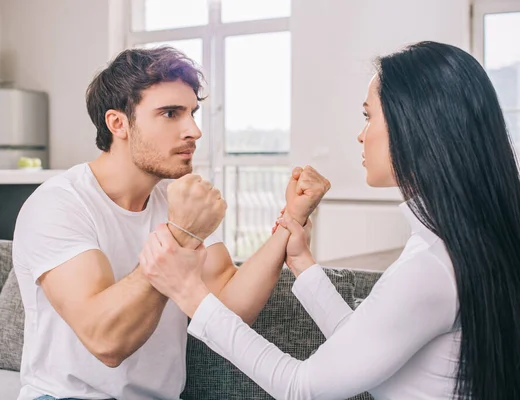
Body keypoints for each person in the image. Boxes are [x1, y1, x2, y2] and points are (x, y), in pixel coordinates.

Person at [138, 41, 520, 400]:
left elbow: (300, 385)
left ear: (415, 125)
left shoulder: (431, 267)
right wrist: (302, 261)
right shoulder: (452, 241)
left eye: (368, 116)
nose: (361, 135)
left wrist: (188, 292)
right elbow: (358, 344)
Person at [12, 46, 327, 400]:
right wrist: (181, 235)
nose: (194, 130)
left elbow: (230, 308)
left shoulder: (177, 201)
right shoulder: (59, 203)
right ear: (118, 123)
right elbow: (105, 340)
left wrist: (292, 220)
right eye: (170, 113)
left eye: (192, 113)